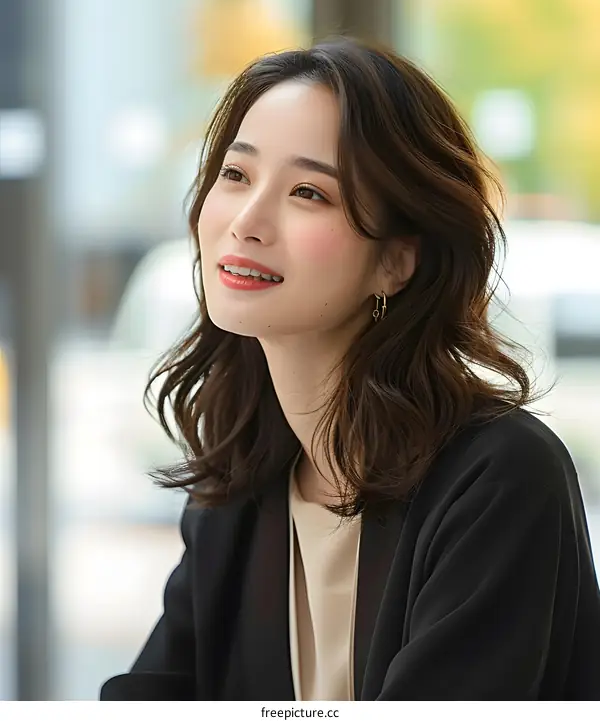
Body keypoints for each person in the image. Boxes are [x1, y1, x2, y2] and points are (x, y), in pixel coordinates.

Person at [100, 37, 600, 701]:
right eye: (236, 174)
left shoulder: (500, 477)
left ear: (397, 259)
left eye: (308, 192)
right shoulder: (239, 486)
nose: (246, 221)